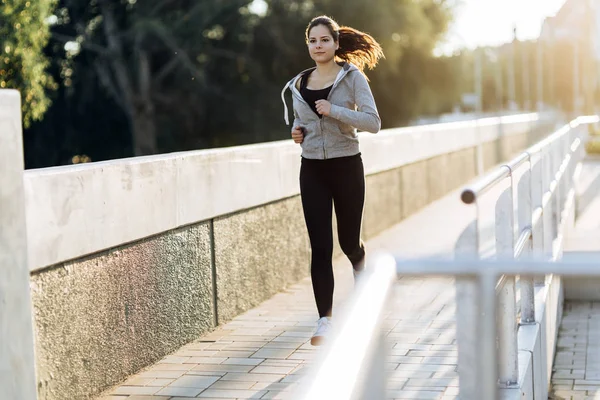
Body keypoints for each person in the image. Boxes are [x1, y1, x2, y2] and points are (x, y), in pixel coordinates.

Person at [280, 15, 384, 346]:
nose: (318, 46)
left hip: (346, 166)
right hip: (312, 169)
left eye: (324, 40)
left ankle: (360, 266)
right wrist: (297, 133)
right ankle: (324, 319)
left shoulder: (352, 78)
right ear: (308, 45)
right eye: (313, 40)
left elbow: (373, 122)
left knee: (348, 241)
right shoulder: (298, 84)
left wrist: (334, 110)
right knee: (320, 247)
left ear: (337, 44)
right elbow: (301, 122)